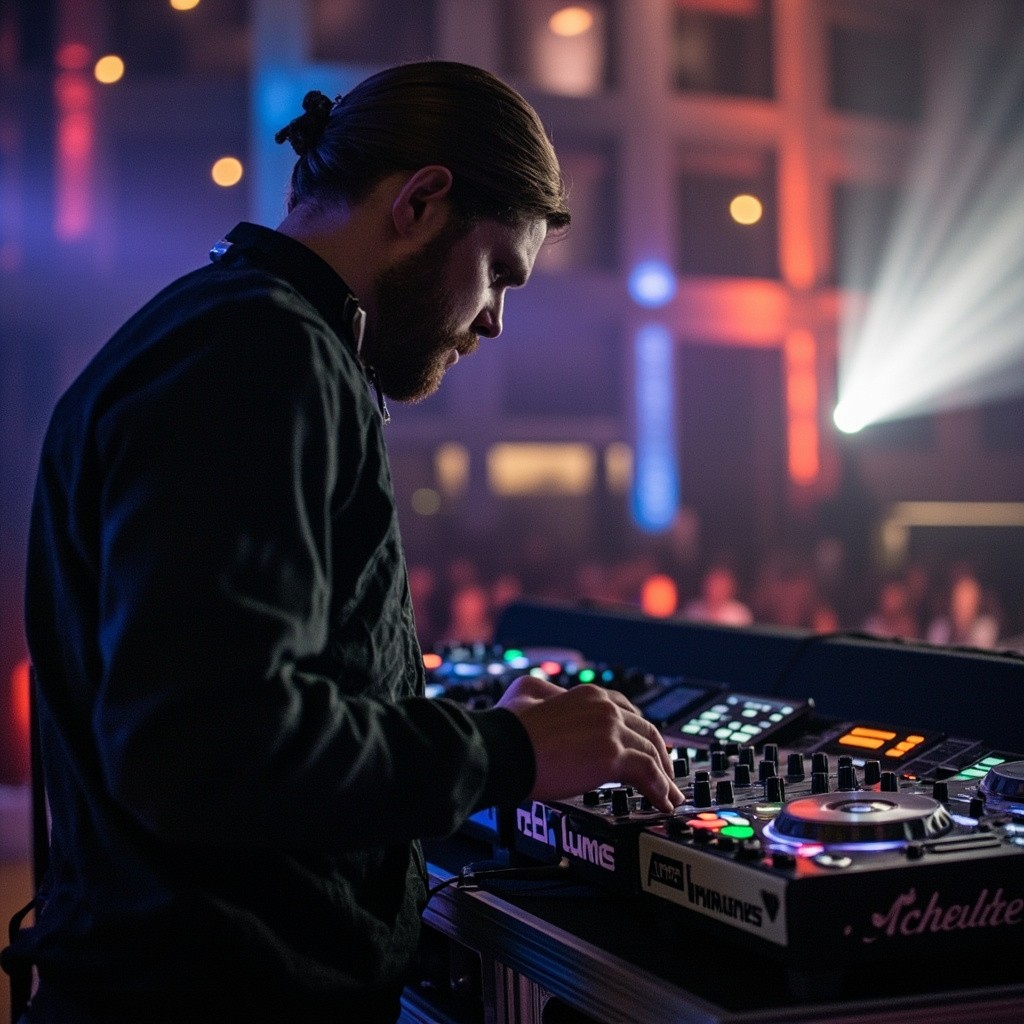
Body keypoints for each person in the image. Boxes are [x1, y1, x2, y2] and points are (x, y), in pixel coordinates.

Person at [2, 61, 682, 1024]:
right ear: (422, 201)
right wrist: (503, 752)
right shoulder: (263, 354)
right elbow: (206, 749)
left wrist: (476, 728)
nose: (493, 320)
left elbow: (255, 693)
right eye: (497, 272)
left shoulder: (226, 328)